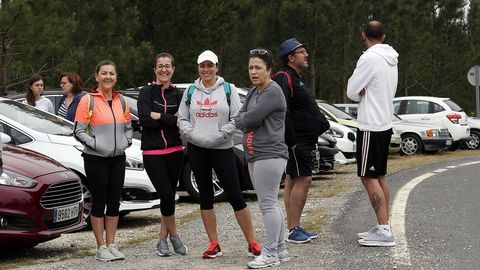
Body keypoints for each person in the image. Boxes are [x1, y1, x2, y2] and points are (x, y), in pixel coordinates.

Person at [177, 50, 261, 259]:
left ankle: (252, 242)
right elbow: (182, 118)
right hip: (197, 149)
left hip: (222, 149)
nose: (206, 70)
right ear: (198, 68)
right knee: (205, 197)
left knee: (235, 195)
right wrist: (191, 134)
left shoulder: (228, 89)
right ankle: (214, 243)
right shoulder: (190, 91)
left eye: (210, 65)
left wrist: (222, 134)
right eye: (202, 66)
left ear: (217, 67)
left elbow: (237, 117)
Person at [74, 60, 133, 261]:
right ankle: (100, 248)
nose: (108, 77)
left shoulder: (122, 100)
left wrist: (126, 142)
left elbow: (128, 127)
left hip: (118, 158)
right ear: (97, 76)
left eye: (112, 73)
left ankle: (112, 244)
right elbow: (78, 131)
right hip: (95, 159)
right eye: (104, 73)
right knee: (99, 202)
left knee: (115, 201)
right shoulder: (87, 100)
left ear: (116, 77)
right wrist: (99, 145)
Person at [236, 49, 289, 268]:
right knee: (271, 203)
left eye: (258, 67)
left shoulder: (272, 91)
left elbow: (251, 117)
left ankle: (270, 253)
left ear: (269, 70)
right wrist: (248, 120)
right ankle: (280, 249)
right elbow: (241, 117)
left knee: (267, 204)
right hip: (255, 153)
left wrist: (249, 120)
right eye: (250, 68)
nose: (254, 72)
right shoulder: (253, 92)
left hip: (270, 153)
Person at [272, 38, 329, 243]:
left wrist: (321, 123)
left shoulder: (297, 77)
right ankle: (294, 229)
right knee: (304, 180)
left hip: (304, 140)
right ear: (291, 57)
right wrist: (291, 141)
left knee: (293, 179)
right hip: (297, 142)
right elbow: (282, 109)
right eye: (302, 52)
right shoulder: (283, 77)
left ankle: (291, 227)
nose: (306, 55)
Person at [347, 20, 398, 247]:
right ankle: (383, 225)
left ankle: (384, 229)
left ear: (363, 35)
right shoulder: (392, 59)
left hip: (370, 124)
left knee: (367, 176)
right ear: (383, 36)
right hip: (385, 122)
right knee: (379, 176)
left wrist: (361, 92)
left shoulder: (368, 58)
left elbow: (351, 91)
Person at [137, 53, 187, 257]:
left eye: (168, 66)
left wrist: (158, 115)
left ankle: (162, 239)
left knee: (170, 196)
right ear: (155, 69)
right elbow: (145, 120)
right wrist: (169, 118)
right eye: (160, 66)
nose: (164, 70)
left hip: (175, 150)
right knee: (166, 194)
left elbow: (181, 120)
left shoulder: (179, 94)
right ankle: (174, 235)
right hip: (153, 152)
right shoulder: (146, 92)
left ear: (173, 69)